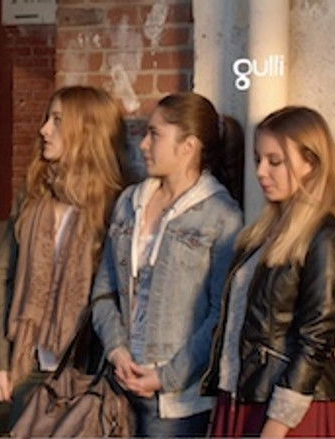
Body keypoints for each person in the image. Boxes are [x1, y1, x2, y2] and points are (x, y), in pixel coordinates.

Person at [90, 92, 243, 437]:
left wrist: (166, 376)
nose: (143, 144)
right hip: (116, 387)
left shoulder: (221, 216)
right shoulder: (130, 202)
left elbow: (222, 316)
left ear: (188, 146)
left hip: (177, 404)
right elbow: (103, 291)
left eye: (155, 134)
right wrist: (116, 351)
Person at [201, 106, 335, 438]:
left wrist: (277, 424)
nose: (261, 172)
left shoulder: (329, 237)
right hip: (243, 398)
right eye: (258, 159)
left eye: (275, 161)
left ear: (310, 163)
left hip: (286, 410)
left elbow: (316, 340)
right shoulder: (260, 235)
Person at [0, 86, 125, 427]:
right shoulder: (33, 195)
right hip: (29, 364)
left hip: (87, 371)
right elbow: (1, 276)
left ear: (87, 130)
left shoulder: (116, 204)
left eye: (58, 120)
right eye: (47, 118)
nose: (44, 129)